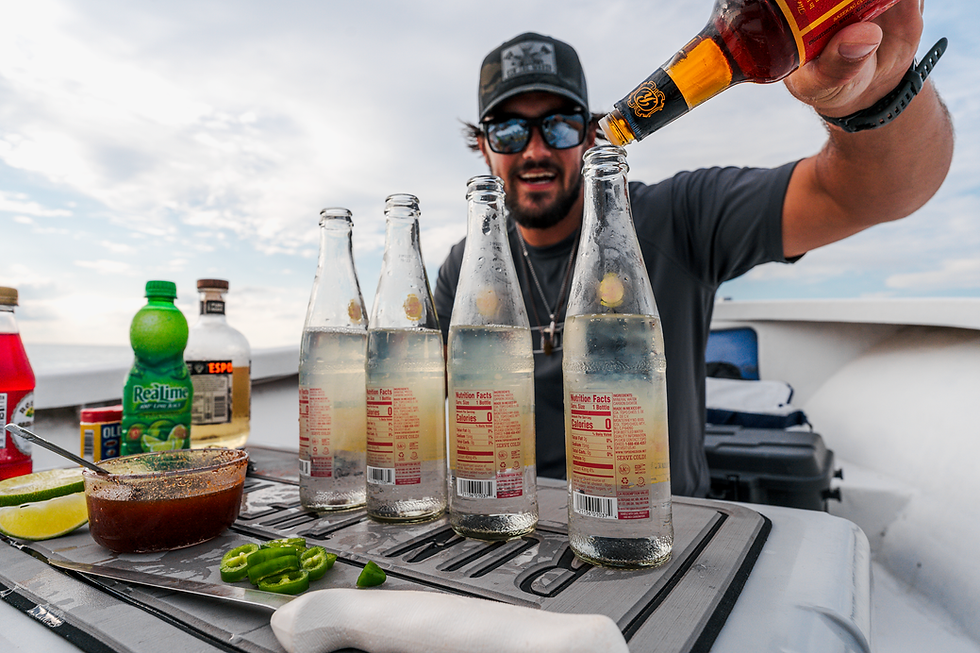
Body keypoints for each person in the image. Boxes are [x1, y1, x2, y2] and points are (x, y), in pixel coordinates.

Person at [433, 0, 954, 497]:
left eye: (559, 125)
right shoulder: (464, 267)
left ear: (590, 136)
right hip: (507, 525)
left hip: (659, 534)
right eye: (508, 130)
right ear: (483, 146)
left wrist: (875, 94)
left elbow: (869, 193)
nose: (537, 150)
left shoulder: (677, 216)